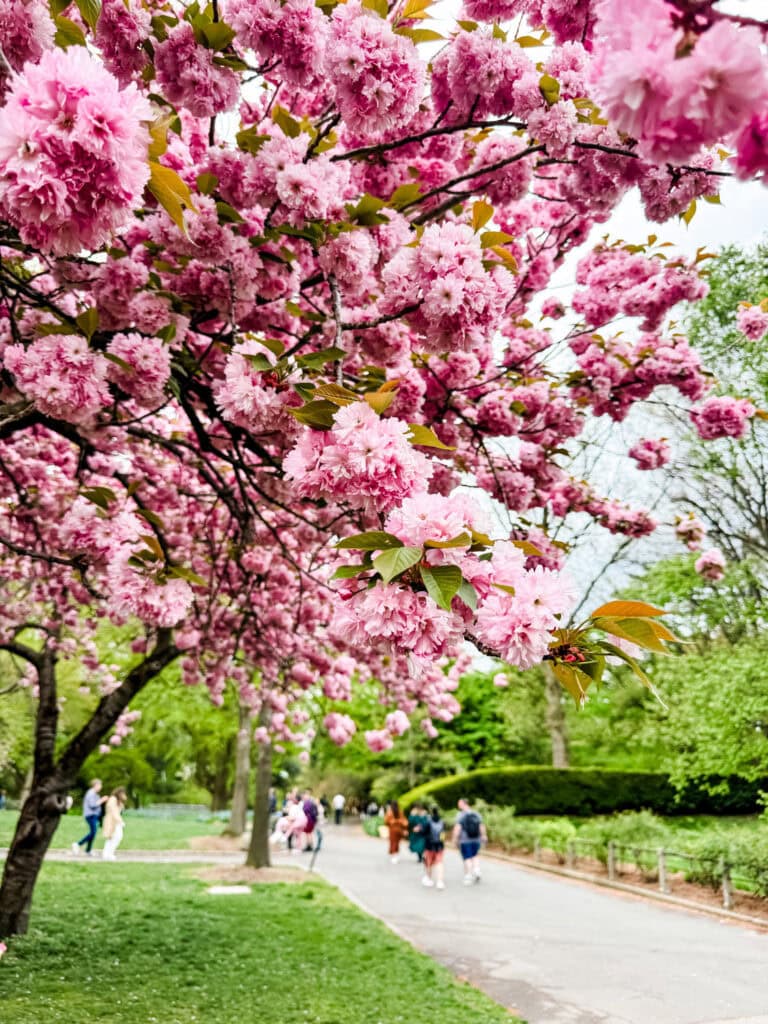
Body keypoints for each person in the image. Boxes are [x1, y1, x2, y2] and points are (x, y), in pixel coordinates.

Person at [453, 797, 487, 884]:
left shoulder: (460, 815)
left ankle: (468, 875)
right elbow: (481, 826)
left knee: (467, 857)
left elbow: (458, 827)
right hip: (476, 839)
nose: (458, 805)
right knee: (475, 855)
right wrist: (484, 836)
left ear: (464, 803)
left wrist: (455, 839)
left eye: (459, 803)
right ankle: (476, 870)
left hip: (465, 840)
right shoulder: (476, 813)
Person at [72, 778, 106, 856]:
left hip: (94, 815)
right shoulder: (91, 793)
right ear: (95, 785)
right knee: (93, 832)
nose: (101, 787)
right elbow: (92, 805)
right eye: (100, 785)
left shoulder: (95, 794)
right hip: (90, 815)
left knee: (93, 833)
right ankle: (78, 844)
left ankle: (88, 850)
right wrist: (102, 800)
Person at [422, 805, 446, 890]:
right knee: (439, 863)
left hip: (429, 846)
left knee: (428, 863)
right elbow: (443, 834)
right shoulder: (442, 822)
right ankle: (440, 881)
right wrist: (441, 842)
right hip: (439, 846)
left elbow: (423, 832)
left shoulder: (428, 821)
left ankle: (428, 878)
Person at [102, 787, 127, 861]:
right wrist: (120, 821)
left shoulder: (117, 800)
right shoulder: (113, 799)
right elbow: (114, 811)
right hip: (112, 821)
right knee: (115, 837)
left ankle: (107, 854)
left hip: (114, 821)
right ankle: (108, 854)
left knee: (113, 838)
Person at [384, 799, 408, 864]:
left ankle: (394, 856)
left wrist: (393, 822)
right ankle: (396, 855)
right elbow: (404, 821)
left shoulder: (390, 812)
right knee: (396, 843)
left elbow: (386, 821)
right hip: (399, 830)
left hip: (392, 830)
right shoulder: (400, 811)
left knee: (393, 843)